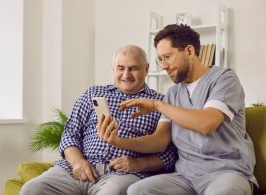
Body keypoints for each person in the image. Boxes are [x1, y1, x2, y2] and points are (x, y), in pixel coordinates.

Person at [97, 24, 257, 195]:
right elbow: (159, 141)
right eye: (160, 59)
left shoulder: (224, 79)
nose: (164, 65)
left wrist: (157, 105)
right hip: (185, 176)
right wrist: (118, 141)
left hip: (226, 171)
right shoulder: (173, 93)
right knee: (138, 190)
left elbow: (206, 123)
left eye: (167, 57)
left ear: (189, 51)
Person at [20, 45, 177, 195]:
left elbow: (169, 153)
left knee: (112, 192)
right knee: (32, 189)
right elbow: (70, 133)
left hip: (120, 175)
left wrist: (138, 164)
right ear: (113, 69)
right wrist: (77, 162)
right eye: (120, 68)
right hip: (76, 169)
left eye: (133, 68)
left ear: (146, 69)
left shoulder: (160, 103)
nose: (126, 74)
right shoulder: (93, 93)